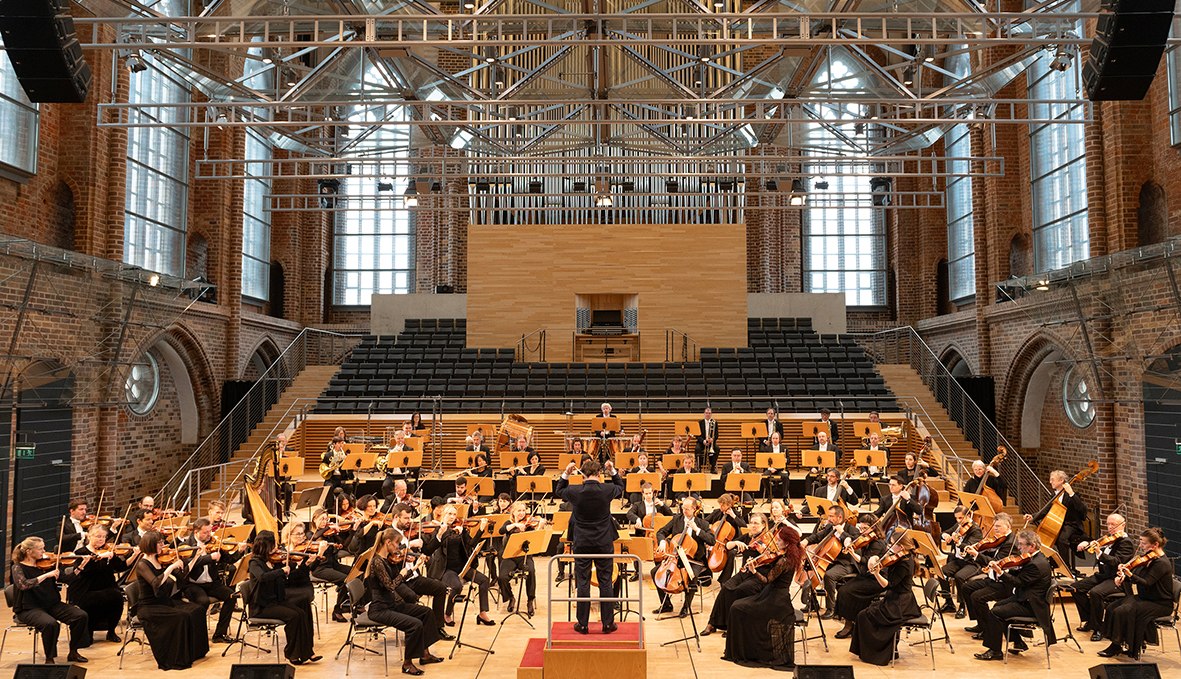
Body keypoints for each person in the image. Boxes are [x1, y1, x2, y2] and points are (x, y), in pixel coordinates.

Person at [555, 458, 624, 634]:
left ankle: (583, 624)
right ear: (599, 474)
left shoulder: (575, 491)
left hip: (582, 543)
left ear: (582, 475)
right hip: (603, 543)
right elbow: (620, 486)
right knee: (605, 582)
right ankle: (608, 624)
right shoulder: (607, 490)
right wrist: (613, 470)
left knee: (583, 583)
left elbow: (559, 490)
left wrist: (566, 472)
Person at [721, 521, 804, 668]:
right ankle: (746, 649)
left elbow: (767, 580)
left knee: (737, 608)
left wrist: (754, 571)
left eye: (779, 540)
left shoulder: (784, 561)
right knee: (737, 606)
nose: (776, 542)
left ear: (786, 543)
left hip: (775, 601)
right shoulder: (787, 556)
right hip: (772, 595)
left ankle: (746, 652)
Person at [365, 527, 445, 675]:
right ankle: (407, 664)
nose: (399, 548)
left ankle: (425, 654)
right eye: (397, 544)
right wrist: (402, 575)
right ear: (388, 542)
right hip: (380, 609)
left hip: (392, 604)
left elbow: (399, 579)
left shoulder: (387, 560)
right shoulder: (377, 562)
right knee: (414, 625)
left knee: (426, 613)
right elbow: (390, 586)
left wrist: (414, 567)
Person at [973, 529, 1054, 661]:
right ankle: (1018, 643)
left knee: (995, 612)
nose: (1019, 547)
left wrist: (1001, 572)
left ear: (1032, 546)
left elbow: (1018, 582)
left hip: (1032, 606)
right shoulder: (1034, 558)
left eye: (1022, 544)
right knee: (998, 605)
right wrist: (1008, 568)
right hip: (1025, 598)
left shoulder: (1036, 564)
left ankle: (995, 651)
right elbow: (1021, 576)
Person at [134, 531, 211, 669]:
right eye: (160, 543)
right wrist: (170, 567)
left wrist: (196, 557)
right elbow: (156, 583)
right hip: (149, 607)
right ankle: (177, 657)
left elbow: (184, 574)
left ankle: (195, 652)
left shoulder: (162, 559)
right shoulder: (142, 565)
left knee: (197, 610)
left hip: (165, 601)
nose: (163, 545)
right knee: (182, 616)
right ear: (151, 544)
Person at [10, 536, 90, 664]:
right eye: (40, 549)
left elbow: (67, 579)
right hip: (29, 608)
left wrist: (81, 566)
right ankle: (49, 658)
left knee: (80, 616)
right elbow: (23, 585)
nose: (44, 551)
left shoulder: (48, 564)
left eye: (43, 548)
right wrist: (46, 575)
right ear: (29, 551)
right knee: (51, 624)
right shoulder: (18, 567)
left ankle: (74, 651)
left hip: (52, 604)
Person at [1098, 527, 1173, 660]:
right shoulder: (1147, 558)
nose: (1140, 545)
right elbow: (1137, 573)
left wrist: (1130, 575)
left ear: (1155, 545)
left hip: (1159, 603)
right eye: (1140, 542)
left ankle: (1117, 644)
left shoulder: (1161, 563)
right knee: (1111, 607)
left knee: (1122, 611)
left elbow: (1146, 582)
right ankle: (1118, 643)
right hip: (1145, 598)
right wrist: (1124, 572)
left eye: (1144, 543)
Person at [247, 530, 318, 665]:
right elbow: (262, 577)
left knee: (301, 611)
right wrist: (280, 571)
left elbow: (292, 577)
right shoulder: (255, 562)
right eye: (273, 545)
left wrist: (306, 565)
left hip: (276, 601)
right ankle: (292, 654)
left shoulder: (276, 561)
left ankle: (306, 652)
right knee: (294, 616)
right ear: (265, 546)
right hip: (262, 606)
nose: (276, 548)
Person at [849, 535, 921, 666]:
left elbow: (888, 585)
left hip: (900, 603)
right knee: (864, 614)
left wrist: (876, 573)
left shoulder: (904, 564)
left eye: (892, 544)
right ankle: (876, 650)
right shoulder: (902, 558)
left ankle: (876, 654)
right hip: (895, 598)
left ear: (901, 547)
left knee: (864, 616)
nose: (889, 546)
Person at [390, 503, 455, 641]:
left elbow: (426, 551)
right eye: (406, 518)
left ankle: (438, 628)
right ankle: (414, 633)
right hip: (400, 581)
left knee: (440, 588)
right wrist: (410, 546)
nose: (410, 522)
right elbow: (392, 558)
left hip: (413, 576)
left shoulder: (404, 533)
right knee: (412, 597)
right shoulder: (389, 534)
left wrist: (439, 535)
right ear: (396, 517)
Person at [702, 512, 771, 636]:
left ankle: (731, 626)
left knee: (737, 591)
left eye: (756, 523)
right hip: (744, 572)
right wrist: (735, 543)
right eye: (751, 523)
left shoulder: (768, 540)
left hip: (757, 575)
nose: (753, 526)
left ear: (763, 525)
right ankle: (712, 623)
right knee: (725, 589)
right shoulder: (747, 537)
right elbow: (727, 546)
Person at [1074, 513, 1135, 640]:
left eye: (1113, 524)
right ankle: (1091, 620)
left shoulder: (1126, 543)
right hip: (1103, 576)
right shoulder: (1110, 538)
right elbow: (1097, 543)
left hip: (1116, 579)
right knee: (1076, 588)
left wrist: (1099, 553)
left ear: (1123, 525)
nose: (1110, 527)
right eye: (1108, 524)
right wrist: (1087, 543)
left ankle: (1098, 629)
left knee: (1096, 593)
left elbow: (1116, 561)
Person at [652, 497, 715, 617]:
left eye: (687, 509)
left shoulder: (703, 524)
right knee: (655, 572)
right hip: (675, 558)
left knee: (692, 576)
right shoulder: (677, 519)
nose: (684, 511)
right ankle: (666, 605)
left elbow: (712, 541)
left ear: (694, 509)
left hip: (695, 560)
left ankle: (686, 606)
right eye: (683, 508)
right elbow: (661, 532)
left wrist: (697, 530)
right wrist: (662, 542)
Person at [433, 504, 495, 626]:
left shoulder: (460, 529)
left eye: (454, 514)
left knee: (484, 580)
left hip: (463, 567)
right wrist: (449, 531)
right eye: (449, 514)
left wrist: (481, 529)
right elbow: (437, 544)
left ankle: (482, 613)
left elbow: (472, 543)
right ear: (443, 515)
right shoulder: (439, 530)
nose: (452, 517)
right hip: (446, 569)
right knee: (456, 586)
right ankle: (447, 614)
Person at [180, 518, 241, 642]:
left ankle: (219, 634)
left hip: (212, 583)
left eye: (210, 531)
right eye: (205, 532)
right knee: (203, 602)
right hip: (193, 584)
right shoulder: (186, 546)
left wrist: (240, 551)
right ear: (196, 532)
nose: (209, 535)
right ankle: (199, 636)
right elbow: (189, 564)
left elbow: (229, 560)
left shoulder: (213, 543)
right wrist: (209, 558)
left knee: (231, 597)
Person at [69, 525, 131, 645]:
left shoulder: (108, 552)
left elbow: (121, 566)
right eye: (98, 536)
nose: (101, 539)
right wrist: (100, 557)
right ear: (90, 536)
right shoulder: (81, 552)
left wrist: (135, 554)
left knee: (117, 598)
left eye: (104, 537)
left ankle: (111, 630)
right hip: (87, 588)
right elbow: (85, 570)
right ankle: (89, 631)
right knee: (92, 601)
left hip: (107, 586)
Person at [833, 513, 887, 637]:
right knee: (843, 588)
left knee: (847, 592)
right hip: (866, 575)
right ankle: (851, 621)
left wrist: (853, 553)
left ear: (873, 528)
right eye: (860, 528)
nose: (862, 532)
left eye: (864, 529)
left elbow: (867, 562)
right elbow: (853, 538)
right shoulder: (867, 539)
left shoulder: (878, 544)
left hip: (877, 579)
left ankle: (850, 624)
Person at [803, 504, 859, 619]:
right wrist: (806, 540)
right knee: (809, 569)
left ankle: (831, 608)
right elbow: (818, 536)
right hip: (831, 561)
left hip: (846, 563)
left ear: (839, 517)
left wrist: (842, 533)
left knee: (829, 576)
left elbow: (854, 544)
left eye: (831, 516)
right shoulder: (830, 527)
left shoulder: (852, 530)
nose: (829, 519)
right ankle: (813, 603)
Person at [1027, 469, 1088, 573]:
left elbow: (1082, 511)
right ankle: (1052, 564)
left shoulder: (1073, 495)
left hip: (1071, 525)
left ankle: (1066, 568)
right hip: (1058, 524)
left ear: (1061, 481)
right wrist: (1033, 517)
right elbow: (1046, 510)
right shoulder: (1054, 495)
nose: (1050, 482)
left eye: (1053, 479)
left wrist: (1072, 493)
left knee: (1061, 539)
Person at [498, 502, 546, 616]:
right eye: (519, 511)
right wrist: (515, 525)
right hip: (510, 557)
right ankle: (510, 597)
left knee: (531, 572)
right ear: (513, 512)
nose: (522, 513)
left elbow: (536, 538)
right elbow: (501, 530)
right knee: (502, 577)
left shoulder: (528, 524)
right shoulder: (509, 523)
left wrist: (540, 526)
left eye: (523, 511)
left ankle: (530, 600)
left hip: (524, 556)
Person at [938, 504, 983, 615]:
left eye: (960, 518)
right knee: (941, 572)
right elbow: (942, 533)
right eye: (956, 518)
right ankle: (949, 602)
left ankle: (963, 606)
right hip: (959, 561)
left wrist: (958, 542)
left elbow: (968, 547)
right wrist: (946, 536)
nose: (958, 521)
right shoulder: (959, 525)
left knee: (959, 576)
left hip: (972, 563)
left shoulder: (976, 530)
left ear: (968, 516)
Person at [309, 508, 352, 622]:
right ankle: (337, 610)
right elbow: (316, 536)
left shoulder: (329, 534)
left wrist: (352, 531)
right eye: (322, 519)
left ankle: (351, 604)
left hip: (333, 565)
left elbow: (344, 545)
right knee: (345, 580)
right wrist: (329, 527)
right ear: (314, 519)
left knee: (355, 572)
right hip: (320, 568)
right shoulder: (310, 535)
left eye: (326, 519)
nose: (325, 521)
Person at [703, 493, 747, 583]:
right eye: (720, 504)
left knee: (730, 554)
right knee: (703, 549)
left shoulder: (735, 513)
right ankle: (707, 577)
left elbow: (744, 525)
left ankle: (724, 580)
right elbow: (704, 522)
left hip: (734, 542)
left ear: (729, 505)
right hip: (718, 542)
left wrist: (733, 516)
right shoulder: (717, 512)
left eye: (723, 505)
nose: (721, 507)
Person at [758, 431, 790, 499]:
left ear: (779, 439)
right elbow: (764, 461)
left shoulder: (784, 448)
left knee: (785, 477)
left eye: (776, 438)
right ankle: (770, 494)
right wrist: (770, 468)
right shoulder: (766, 448)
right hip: (770, 469)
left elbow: (789, 460)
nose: (775, 440)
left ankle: (785, 497)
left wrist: (786, 460)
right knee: (764, 477)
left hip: (781, 469)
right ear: (771, 439)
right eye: (773, 438)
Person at [696, 406, 720, 473]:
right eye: (706, 413)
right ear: (704, 414)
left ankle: (713, 467)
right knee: (697, 449)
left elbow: (717, 435)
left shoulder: (714, 422)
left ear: (711, 414)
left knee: (717, 449)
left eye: (709, 413)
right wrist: (703, 441)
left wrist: (712, 439)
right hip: (702, 442)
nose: (708, 414)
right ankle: (699, 467)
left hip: (711, 443)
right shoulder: (700, 423)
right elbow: (697, 435)